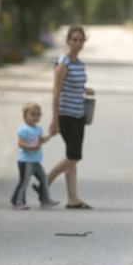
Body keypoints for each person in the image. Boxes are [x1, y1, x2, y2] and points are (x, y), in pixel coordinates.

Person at [46, 25, 95, 210]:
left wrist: (84, 89)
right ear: (68, 41)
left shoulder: (79, 63)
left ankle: (72, 198)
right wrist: (55, 118)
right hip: (65, 113)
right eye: (74, 39)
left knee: (71, 156)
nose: (77, 43)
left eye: (81, 40)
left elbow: (74, 84)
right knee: (74, 155)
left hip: (79, 113)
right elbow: (56, 90)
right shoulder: (63, 62)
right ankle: (45, 181)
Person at [10, 103, 59, 210]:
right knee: (24, 181)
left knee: (44, 178)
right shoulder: (24, 130)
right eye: (32, 114)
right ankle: (17, 201)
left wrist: (51, 135)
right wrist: (32, 147)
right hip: (26, 161)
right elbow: (21, 143)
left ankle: (45, 200)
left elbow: (41, 140)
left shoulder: (38, 129)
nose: (35, 117)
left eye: (38, 115)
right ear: (25, 116)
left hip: (36, 161)